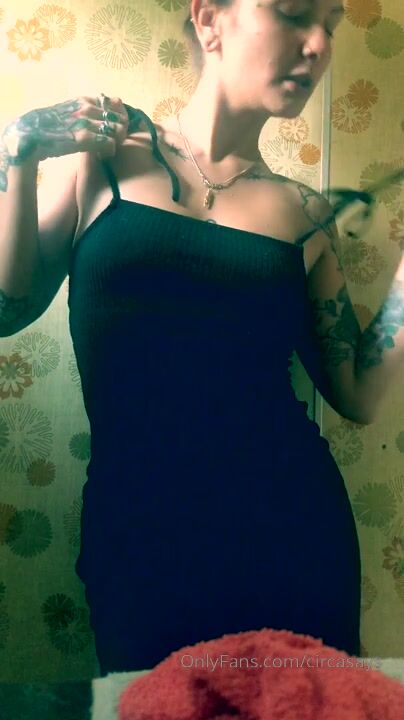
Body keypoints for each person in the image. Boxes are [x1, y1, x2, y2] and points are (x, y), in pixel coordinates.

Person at [1, 0, 403, 675]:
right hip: (140, 539)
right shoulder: (103, 160)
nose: (317, 45)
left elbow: (357, 394)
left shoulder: (303, 212)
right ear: (209, 19)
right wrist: (19, 149)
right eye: (294, 13)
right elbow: (7, 310)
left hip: (294, 535)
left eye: (330, 26)